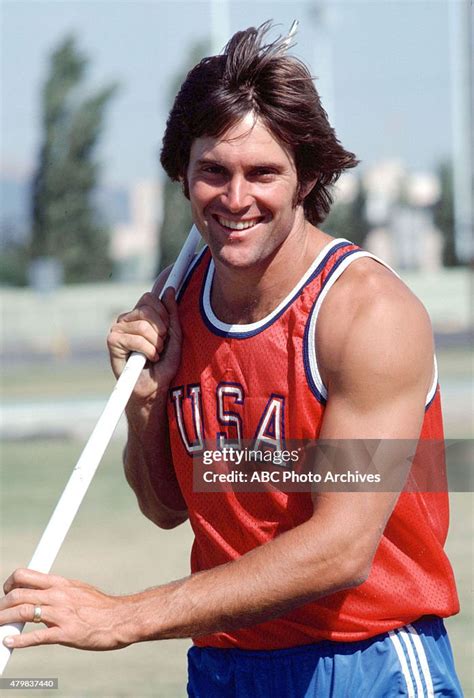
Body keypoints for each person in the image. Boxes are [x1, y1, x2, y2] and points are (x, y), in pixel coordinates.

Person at [1, 23, 462, 698]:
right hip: (226, 667)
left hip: (363, 662)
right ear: (182, 176)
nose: (236, 198)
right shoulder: (174, 297)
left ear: (307, 177)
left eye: (263, 173)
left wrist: (123, 617)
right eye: (213, 171)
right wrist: (146, 402)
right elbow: (164, 506)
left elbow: (340, 550)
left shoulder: (366, 314)